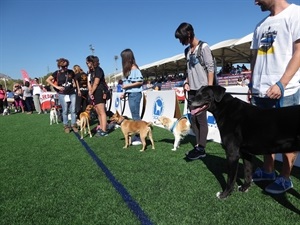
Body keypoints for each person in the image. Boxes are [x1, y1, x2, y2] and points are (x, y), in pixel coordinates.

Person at [250, 0, 300, 194]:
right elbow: (254, 57)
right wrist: (252, 83)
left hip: (285, 91)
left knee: (288, 138)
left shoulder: (295, 13)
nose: (255, 2)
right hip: (260, 91)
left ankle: (285, 178)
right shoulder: (260, 25)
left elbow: (299, 52)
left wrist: (282, 83)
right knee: (264, 136)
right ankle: (268, 170)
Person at [175, 22, 215, 160]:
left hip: (202, 91)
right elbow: (189, 70)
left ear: (189, 34)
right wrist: (186, 82)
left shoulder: (204, 47)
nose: (180, 42)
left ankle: (201, 148)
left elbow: (211, 69)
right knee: (193, 119)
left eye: (181, 38)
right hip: (191, 90)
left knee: (201, 120)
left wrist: (209, 90)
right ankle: (198, 145)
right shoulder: (187, 51)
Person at [46, 58, 78, 133]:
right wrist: (56, 87)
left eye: (66, 65)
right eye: (63, 66)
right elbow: (48, 80)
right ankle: (66, 125)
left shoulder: (71, 72)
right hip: (62, 94)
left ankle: (73, 125)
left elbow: (75, 80)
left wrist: (75, 85)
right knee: (65, 110)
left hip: (72, 92)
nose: (65, 67)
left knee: (73, 110)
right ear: (60, 66)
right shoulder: (57, 73)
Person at [120, 48, 144, 145]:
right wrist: (124, 92)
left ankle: (139, 136)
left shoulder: (134, 69)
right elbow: (128, 83)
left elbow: (140, 82)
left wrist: (127, 86)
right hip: (131, 94)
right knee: (134, 115)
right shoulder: (129, 70)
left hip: (135, 94)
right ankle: (138, 135)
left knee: (135, 116)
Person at [86, 55, 108, 137]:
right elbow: (89, 82)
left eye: (88, 62)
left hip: (99, 91)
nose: (87, 64)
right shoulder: (90, 72)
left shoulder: (99, 70)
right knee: (98, 112)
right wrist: (90, 91)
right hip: (94, 92)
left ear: (92, 62)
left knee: (102, 112)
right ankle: (101, 127)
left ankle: (104, 130)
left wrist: (91, 92)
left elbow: (96, 83)